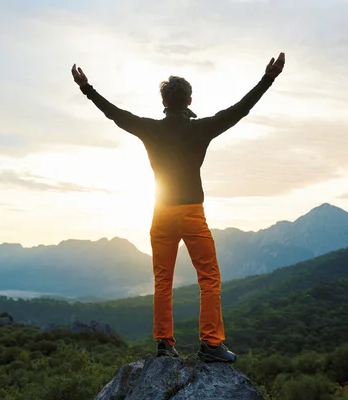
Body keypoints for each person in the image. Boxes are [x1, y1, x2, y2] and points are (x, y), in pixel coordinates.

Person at [71, 52, 285, 362]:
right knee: (208, 278)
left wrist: (86, 88)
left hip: (161, 214)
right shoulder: (202, 128)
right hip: (191, 213)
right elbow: (241, 109)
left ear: (163, 102)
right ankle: (211, 345)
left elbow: (115, 114)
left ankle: (164, 345)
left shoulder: (149, 128)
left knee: (163, 280)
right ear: (189, 100)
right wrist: (269, 78)